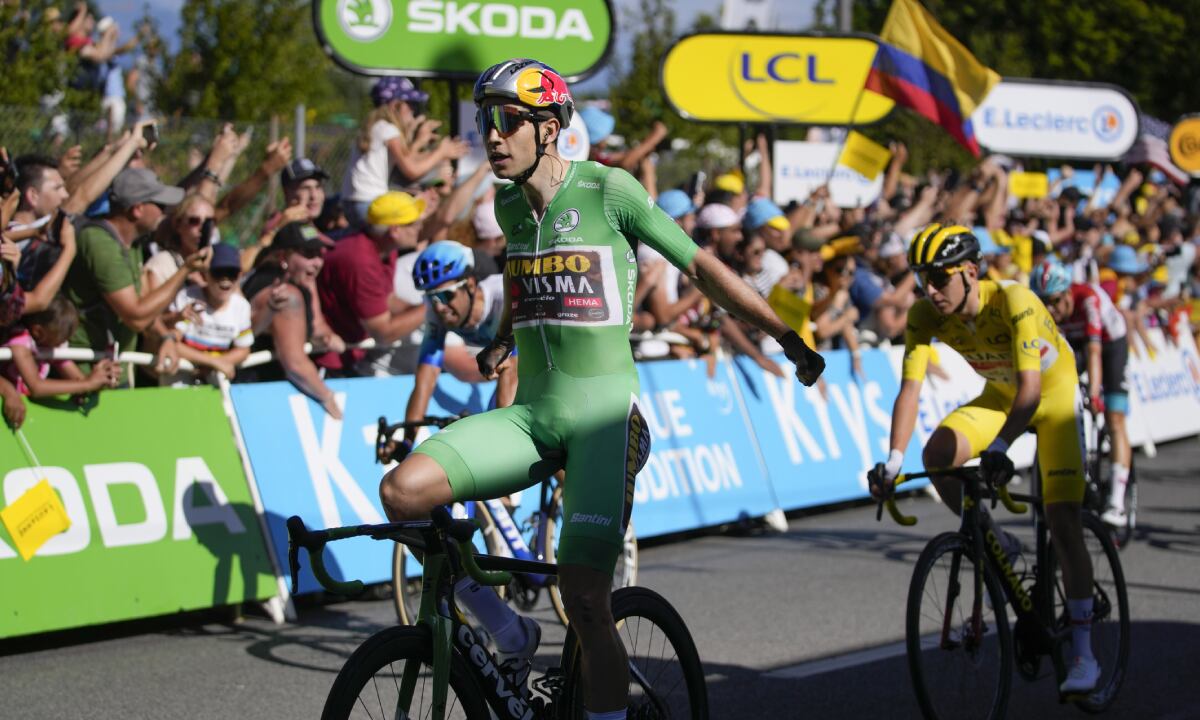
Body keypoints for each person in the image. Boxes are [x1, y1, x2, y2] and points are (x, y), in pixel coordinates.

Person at [377, 58, 825, 720]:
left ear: (550, 129)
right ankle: (506, 628)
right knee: (402, 493)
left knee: (586, 599)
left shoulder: (609, 190)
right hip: (533, 417)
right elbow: (523, 280)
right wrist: (502, 338)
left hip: (606, 422)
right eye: (485, 121)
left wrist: (785, 337)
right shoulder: (507, 204)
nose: (492, 135)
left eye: (508, 121)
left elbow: (701, 267)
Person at [867, 224, 1101, 694]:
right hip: (1000, 396)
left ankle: (1084, 653)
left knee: (1062, 520)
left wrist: (1000, 448)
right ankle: (1000, 544)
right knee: (938, 455)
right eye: (922, 279)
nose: (930, 290)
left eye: (939, 278)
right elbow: (909, 390)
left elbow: (1032, 390)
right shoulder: (925, 314)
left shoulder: (1014, 300)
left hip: (1051, 397)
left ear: (970, 272)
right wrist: (892, 460)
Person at [62, 167, 210, 360]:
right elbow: (136, 317)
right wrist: (185, 270)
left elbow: (144, 308)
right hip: (86, 364)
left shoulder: (133, 245)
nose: (164, 213)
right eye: (160, 205)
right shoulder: (100, 243)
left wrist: (165, 336)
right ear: (137, 209)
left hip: (116, 364)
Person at [1029, 259, 1133, 527]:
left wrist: (1095, 394)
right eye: (1043, 303)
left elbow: (1094, 351)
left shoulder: (1088, 299)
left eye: (1054, 301)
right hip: (1074, 344)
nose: (1050, 309)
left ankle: (1117, 502)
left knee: (1114, 418)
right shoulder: (1046, 312)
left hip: (1109, 344)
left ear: (1067, 294)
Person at [398, 241, 514, 454]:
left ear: (470, 284)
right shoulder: (438, 312)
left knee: (504, 424)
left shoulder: (502, 297)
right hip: (514, 362)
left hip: (549, 358)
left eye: (445, 295)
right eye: (431, 298)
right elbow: (425, 379)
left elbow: (513, 369)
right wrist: (407, 443)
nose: (439, 307)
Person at [315, 191, 427, 375]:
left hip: (348, 353)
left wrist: (422, 309)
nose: (420, 227)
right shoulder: (360, 261)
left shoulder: (385, 248)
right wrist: (432, 307)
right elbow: (384, 333)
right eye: (413, 223)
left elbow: (387, 299)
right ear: (395, 230)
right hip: (326, 360)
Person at [239, 221, 343, 418]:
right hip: (258, 395)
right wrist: (328, 397)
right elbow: (295, 364)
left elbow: (316, 326)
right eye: (308, 254)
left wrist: (327, 337)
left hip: (261, 392)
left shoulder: (296, 281)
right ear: (282, 256)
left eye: (319, 254)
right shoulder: (286, 294)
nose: (317, 262)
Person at [341, 77, 468, 227]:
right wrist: (441, 152)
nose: (413, 110)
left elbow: (408, 159)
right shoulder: (388, 129)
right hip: (370, 204)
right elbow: (411, 170)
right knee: (420, 217)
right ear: (395, 105)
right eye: (410, 104)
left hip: (355, 203)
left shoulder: (377, 127)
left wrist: (422, 143)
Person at [155, 243, 252, 383]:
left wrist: (216, 363)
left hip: (214, 380)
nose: (225, 280)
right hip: (181, 376)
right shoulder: (188, 298)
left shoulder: (242, 307)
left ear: (240, 276)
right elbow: (172, 343)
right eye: (218, 273)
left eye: (232, 274)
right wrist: (212, 362)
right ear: (206, 274)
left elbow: (243, 350)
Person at [2, 294, 121, 397]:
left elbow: (78, 380)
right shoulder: (20, 340)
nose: (64, 343)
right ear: (38, 331)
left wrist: (101, 378)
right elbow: (36, 387)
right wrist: (88, 383)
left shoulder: (52, 345)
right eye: (61, 338)